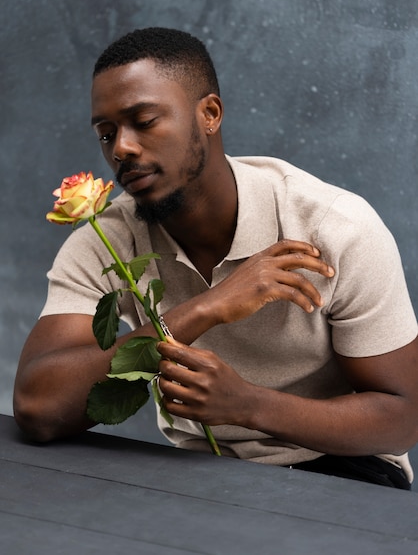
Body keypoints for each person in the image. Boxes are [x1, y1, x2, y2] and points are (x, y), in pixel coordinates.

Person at [14, 27, 418, 490]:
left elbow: (401, 418)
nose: (121, 148)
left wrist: (247, 405)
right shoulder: (107, 243)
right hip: (198, 478)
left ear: (209, 114)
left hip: (341, 473)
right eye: (107, 134)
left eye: (143, 121)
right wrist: (205, 308)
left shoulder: (335, 227)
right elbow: (37, 408)